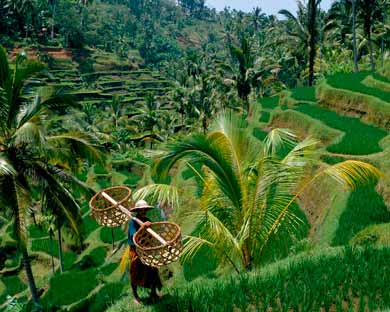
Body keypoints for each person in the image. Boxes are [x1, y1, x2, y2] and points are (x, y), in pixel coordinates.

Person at [127, 200, 162, 305]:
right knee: (135, 271)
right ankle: (136, 296)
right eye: (141, 210)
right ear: (137, 210)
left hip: (146, 249)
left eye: (144, 209)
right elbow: (134, 236)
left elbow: (150, 236)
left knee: (152, 270)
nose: (143, 211)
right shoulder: (133, 221)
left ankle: (153, 293)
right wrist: (142, 227)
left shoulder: (147, 220)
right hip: (135, 249)